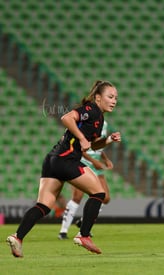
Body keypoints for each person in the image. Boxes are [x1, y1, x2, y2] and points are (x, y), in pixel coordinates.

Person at [6, 80, 121, 257]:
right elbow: (66, 118)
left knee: (44, 205)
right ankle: (83, 235)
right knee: (99, 193)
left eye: (116, 98)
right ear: (98, 98)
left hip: (52, 159)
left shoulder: (99, 117)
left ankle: (17, 237)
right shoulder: (90, 109)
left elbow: (92, 146)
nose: (114, 100)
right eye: (110, 96)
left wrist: (108, 140)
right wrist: (82, 137)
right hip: (66, 159)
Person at [58, 120, 113, 240]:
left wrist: (105, 159)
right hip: (82, 163)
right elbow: (79, 147)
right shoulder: (85, 122)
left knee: (105, 197)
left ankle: (84, 221)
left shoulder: (104, 124)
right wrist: (94, 162)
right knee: (77, 197)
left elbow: (98, 145)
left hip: (96, 166)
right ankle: (63, 231)